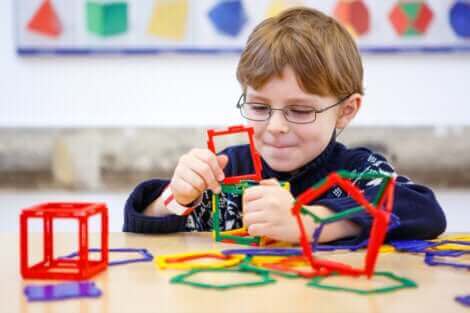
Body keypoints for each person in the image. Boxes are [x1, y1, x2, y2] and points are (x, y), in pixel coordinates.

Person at [123, 7, 446, 245]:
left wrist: (309, 222)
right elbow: (142, 228)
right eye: (260, 107)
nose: (276, 126)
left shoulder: (359, 170)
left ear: (346, 111)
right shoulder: (230, 168)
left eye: (301, 110)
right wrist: (176, 198)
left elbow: (422, 209)